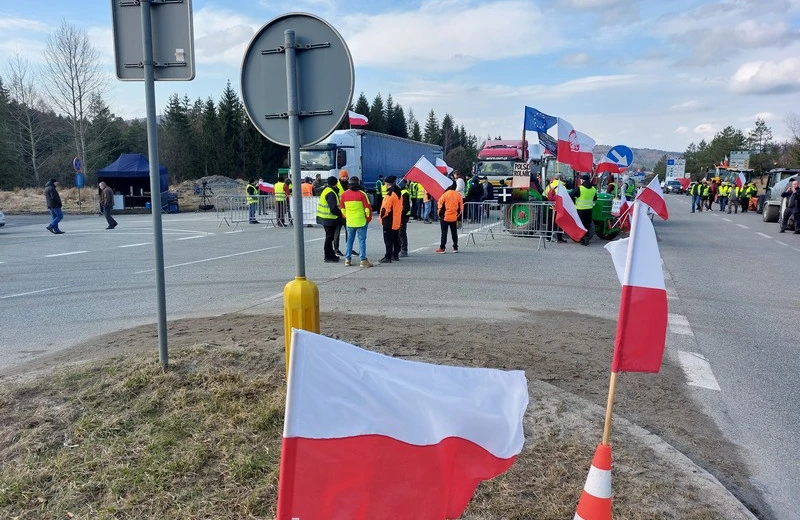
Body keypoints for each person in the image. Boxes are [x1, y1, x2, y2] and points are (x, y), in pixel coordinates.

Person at [339, 176, 373, 267]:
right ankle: (363, 260)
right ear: (358, 183)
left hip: (350, 221)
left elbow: (342, 208)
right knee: (362, 241)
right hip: (361, 221)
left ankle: (347, 259)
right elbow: (367, 209)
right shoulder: (362, 194)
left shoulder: (344, 195)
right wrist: (368, 219)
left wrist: (347, 217)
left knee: (349, 240)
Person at [316, 176, 344, 263]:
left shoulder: (326, 190)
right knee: (329, 238)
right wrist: (341, 214)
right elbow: (333, 208)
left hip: (325, 218)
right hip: (329, 219)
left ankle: (331, 254)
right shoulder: (331, 192)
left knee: (329, 237)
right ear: (336, 183)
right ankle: (328, 256)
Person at [379, 176, 402, 264]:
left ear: (387, 183)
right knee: (395, 238)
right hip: (396, 219)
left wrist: (382, 217)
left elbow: (385, 208)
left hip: (389, 220)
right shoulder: (398, 192)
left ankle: (388, 256)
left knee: (388, 240)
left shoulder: (390, 194)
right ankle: (395, 255)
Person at [435, 181, 464, 253]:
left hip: (445, 217)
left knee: (444, 233)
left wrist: (440, 215)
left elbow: (440, 206)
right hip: (454, 217)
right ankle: (455, 247)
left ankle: (442, 248)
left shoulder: (444, 195)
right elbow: (461, 207)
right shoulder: (458, 195)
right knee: (454, 232)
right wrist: (457, 215)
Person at [570, 174, 597, 246]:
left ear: (582, 180)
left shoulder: (579, 188)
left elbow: (570, 195)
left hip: (579, 209)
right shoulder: (593, 189)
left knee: (579, 224)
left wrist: (574, 200)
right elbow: (595, 199)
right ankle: (586, 238)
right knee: (587, 225)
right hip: (589, 209)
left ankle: (580, 238)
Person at [333, 170, 350, 256]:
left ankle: (349, 248)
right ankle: (336, 249)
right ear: (340, 177)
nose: (344, 178)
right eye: (343, 177)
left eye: (345, 177)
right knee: (337, 232)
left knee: (349, 231)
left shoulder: (349, 185)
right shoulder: (337, 186)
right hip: (339, 212)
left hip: (347, 212)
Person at [398, 180, 412, 257]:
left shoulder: (404, 193)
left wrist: (400, 215)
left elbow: (405, 207)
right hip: (401, 215)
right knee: (399, 233)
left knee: (401, 233)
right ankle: (400, 248)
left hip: (403, 216)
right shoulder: (401, 192)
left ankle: (404, 250)